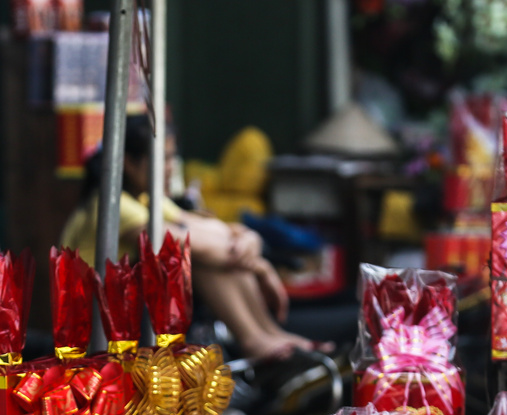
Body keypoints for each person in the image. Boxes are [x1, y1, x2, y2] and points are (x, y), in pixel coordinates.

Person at [60, 114, 321, 361]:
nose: (170, 168)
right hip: (99, 323)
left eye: (172, 158)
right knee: (196, 255)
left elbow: (212, 228)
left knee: (207, 250)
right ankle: (254, 338)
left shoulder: (146, 200)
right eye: (162, 159)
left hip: (131, 311)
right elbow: (182, 240)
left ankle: (267, 333)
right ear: (129, 162)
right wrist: (261, 265)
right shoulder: (110, 206)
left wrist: (246, 237)